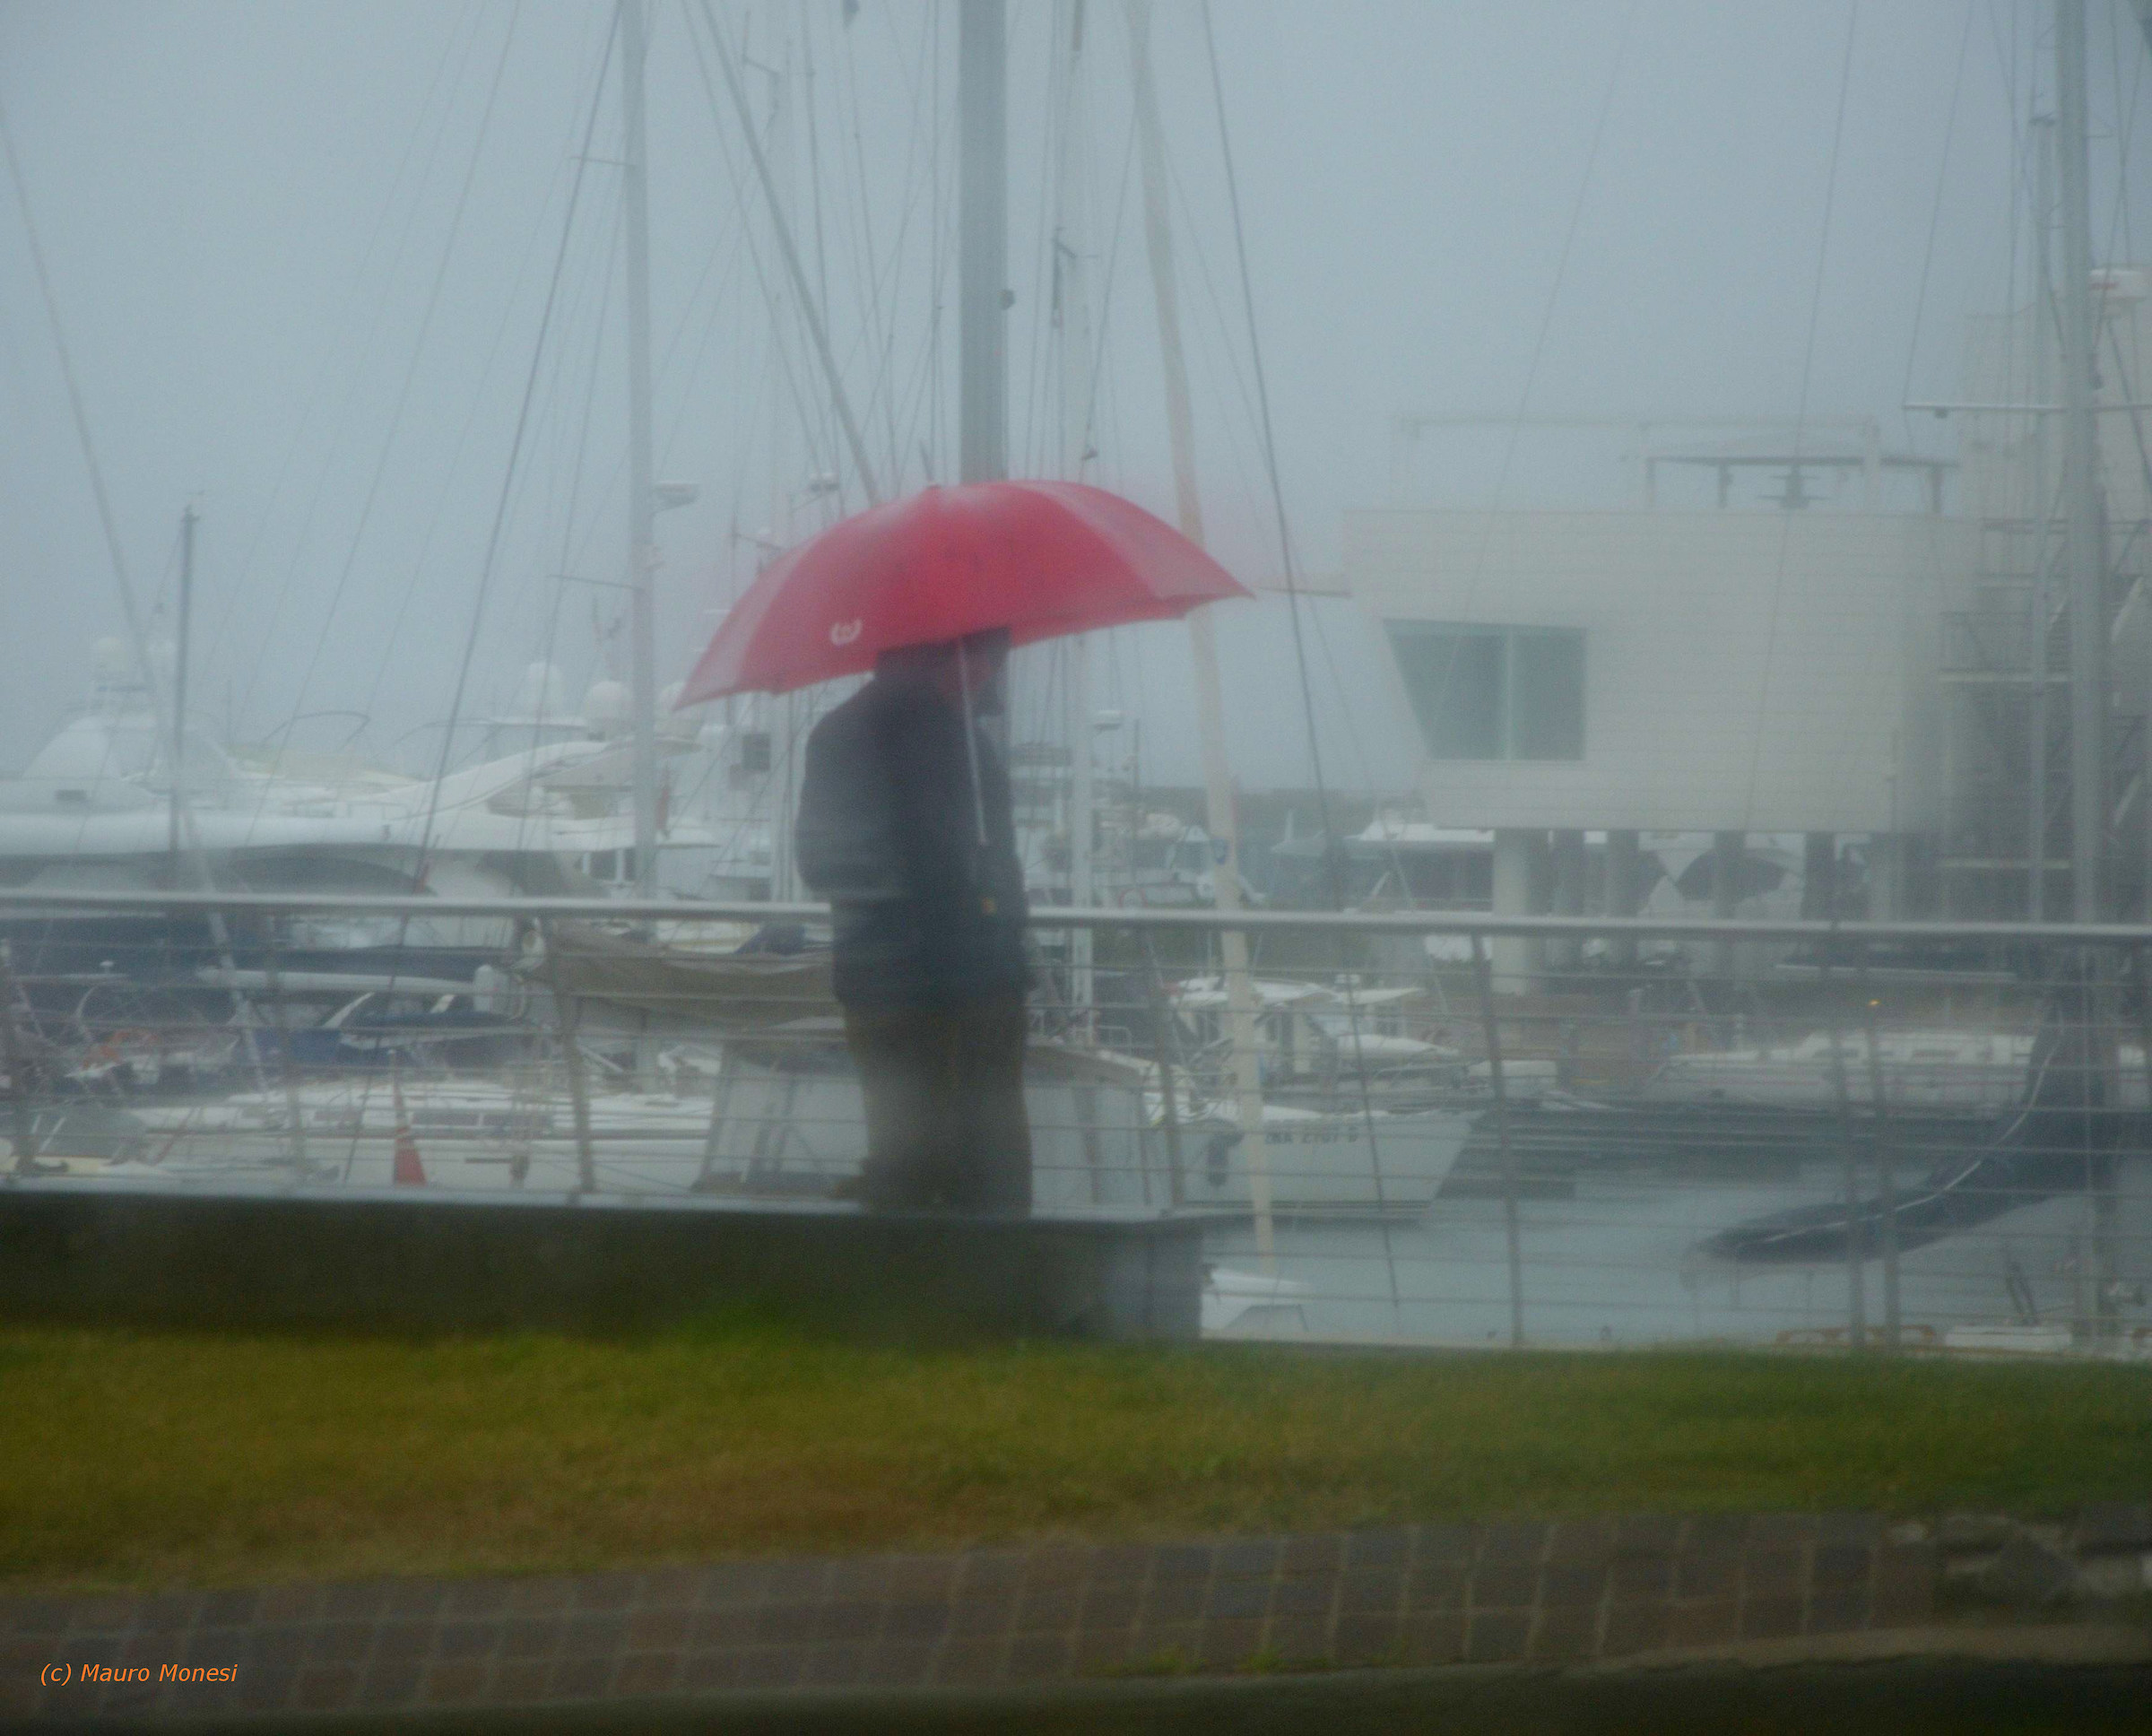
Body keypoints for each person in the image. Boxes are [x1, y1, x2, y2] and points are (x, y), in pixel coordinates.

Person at [794, 629, 1032, 1211]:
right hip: (922, 982)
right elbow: (828, 861)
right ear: (944, 655)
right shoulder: (878, 738)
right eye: (981, 658)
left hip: (925, 981)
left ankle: (941, 1278)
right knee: (953, 1164)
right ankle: (972, 1282)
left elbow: (823, 861)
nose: (988, 674)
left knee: (933, 1161)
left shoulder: (963, 742)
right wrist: (950, 892)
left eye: (993, 661)